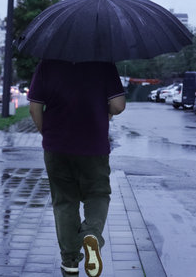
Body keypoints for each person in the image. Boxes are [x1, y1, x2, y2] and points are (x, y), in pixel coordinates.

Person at [28, 59, 126, 277]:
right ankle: (91, 234)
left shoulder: (47, 65)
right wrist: (106, 110)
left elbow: (35, 108)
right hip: (94, 146)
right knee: (98, 194)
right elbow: (118, 105)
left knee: (64, 202)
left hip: (57, 147)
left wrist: (49, 136)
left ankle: (70, 263)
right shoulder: (104, 64)